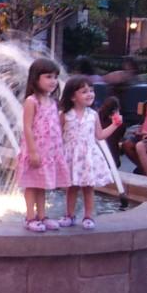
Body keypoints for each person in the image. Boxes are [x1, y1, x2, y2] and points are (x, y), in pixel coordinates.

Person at [58, 77, 123, 230]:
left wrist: (115, 125)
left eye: (91, 91)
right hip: (72, 156)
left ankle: (88, 216)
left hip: (88, 156)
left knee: (88, 187)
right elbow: (58, 135)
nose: (90, 94)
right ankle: (70, 215)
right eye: (84, 91)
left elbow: (99, 135)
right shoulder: (65, 115)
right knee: (72, 186)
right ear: (73, 96)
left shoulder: (93, 115)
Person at [15, 58, 70, 232]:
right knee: (31, 184)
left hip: (49, 152)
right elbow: (27, 126)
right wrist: (32, 151)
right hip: (35, 150)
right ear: (36, 79)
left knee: (42, 184)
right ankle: (30, 217)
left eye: (55, 77)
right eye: (48, 76)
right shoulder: (32, 101)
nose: (53, 81)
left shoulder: (52, 102)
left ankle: (42, 215)